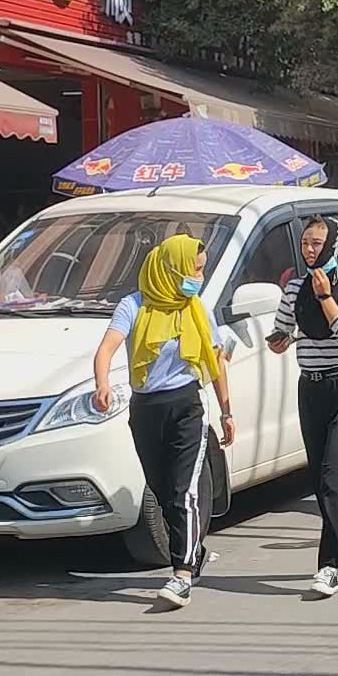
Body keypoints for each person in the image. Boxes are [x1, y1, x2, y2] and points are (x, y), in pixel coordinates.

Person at [92, 233, 235, 609]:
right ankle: (195, 552)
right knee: (161, 489)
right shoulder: (133, 305)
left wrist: (226, 411)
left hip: (187, 405)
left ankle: (182, 575)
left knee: (183, 491)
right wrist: (101, 384)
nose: (198, 278)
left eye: (201, 270)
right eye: (194, 270)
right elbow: (106, 348)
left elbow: (216, 361)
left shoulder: (196, 308)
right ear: (172, 268)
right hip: (145, 408)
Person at [269, 217, 338, 597]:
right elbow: (283, 329)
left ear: (333, 246)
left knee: (333, 479)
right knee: (326, 480)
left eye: (317, 243)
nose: (310, 250)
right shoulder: (295, 288)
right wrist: (279, 340)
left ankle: (330, 565)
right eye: (305, 243)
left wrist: (326, 297)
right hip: (311, 389)